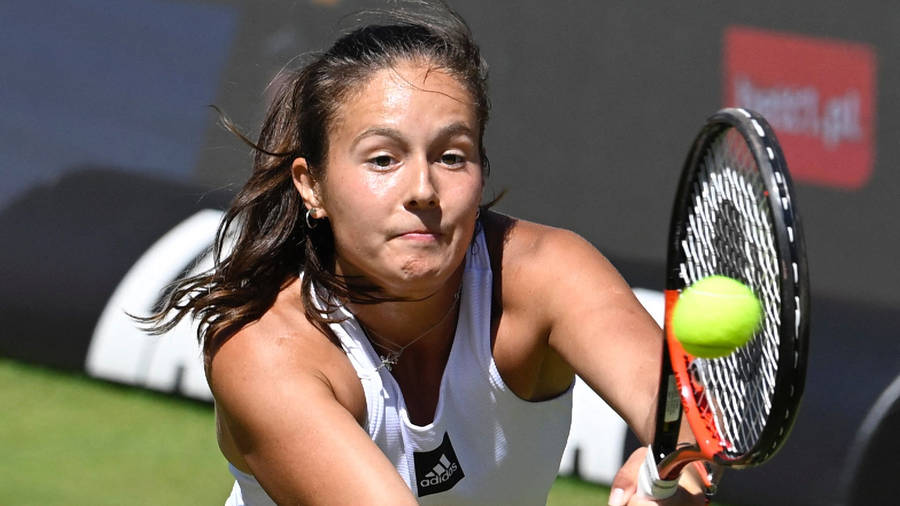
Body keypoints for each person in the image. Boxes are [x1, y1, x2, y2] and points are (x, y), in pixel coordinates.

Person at [146, 2, 708, 504]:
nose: (422, 188)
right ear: (311, 184)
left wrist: (671, 468)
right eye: (383, 159)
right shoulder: (262, 351)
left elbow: (675, 412)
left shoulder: (548, 274)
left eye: (452, 156)